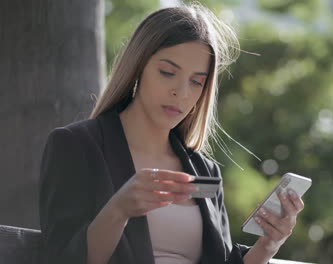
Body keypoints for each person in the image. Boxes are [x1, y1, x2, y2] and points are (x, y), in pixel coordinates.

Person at [39, 3, 305, 264]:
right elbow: (63, 257)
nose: (182, 92)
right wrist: (118, 210)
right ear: (138, 66)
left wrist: (269, 243)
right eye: (167, 72)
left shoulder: (204, 170)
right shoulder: (76, 146)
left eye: (196, 81)